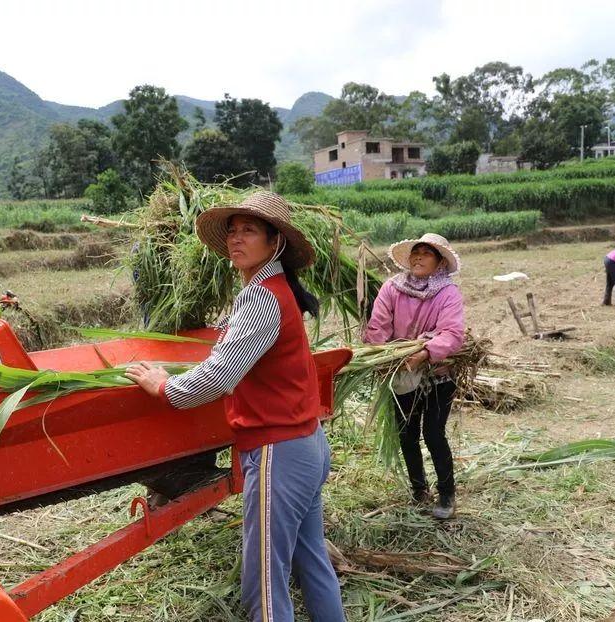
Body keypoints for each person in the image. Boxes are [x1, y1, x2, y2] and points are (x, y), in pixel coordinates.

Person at [125, 191, 345, 622]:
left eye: (248, 230)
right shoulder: (274, 291)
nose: (235, 239)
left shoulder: (262, 298)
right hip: (307, 446)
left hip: (279, 454)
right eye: (232, 231)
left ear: (274, 241)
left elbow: (219, 376)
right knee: (311, 560)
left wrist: (165, 386)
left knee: (263, 585)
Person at [363, 233, 465, 520]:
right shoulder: (393, 288)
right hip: (401, 372)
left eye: (426, 253)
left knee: (433, 433)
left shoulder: (448, 293)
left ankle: (447, 494)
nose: (418, 257)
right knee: (407, 434)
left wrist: (426, 352)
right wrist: (377, 353)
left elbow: (453, 334)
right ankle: (419, 490)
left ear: (440, 262)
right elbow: (379, 325)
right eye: (415, 252)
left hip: (437, 374)